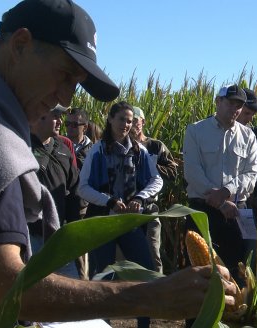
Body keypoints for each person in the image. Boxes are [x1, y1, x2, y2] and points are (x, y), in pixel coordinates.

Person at [0, 0, 236, 326]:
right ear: (21, 45)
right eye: (66, 75)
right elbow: (4, 291)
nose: (67, 99)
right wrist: (151, 296)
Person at [79, 101, 163, 327]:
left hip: (129, 222)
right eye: (121, 119)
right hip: (103, 222)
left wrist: (139, 197)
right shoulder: (97, 150)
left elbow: (157, 179)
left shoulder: (138, 151)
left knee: (144, 271)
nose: (126, 124)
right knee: (104, 277)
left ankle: (144, 323)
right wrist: (109, 201)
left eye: (129, 120)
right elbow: (83, 187)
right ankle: (103, 323)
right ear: (110, 119)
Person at [183, 84, 257, 283]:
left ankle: (230, 314)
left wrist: (227, 191)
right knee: (200, 271)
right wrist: (219, 201)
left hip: (236, 211)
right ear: (218, 101)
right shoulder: (195, 131)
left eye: (239, 106)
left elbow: (251, 173)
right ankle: (198, 315)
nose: (235, 109)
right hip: (202, 211)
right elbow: (192, 171)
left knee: (235, 271)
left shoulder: (248, 136)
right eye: (230, 103)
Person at [29, 105, 85, 279]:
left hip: (58, 238)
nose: (61, 121)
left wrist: (77, 230)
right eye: (56, 116)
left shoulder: (63, 149)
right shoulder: (21, 146)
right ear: (40, 116)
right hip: (31, 235)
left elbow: (75, 191)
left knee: (71, 288)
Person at [131, 105, 178, 273]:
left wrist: (149, 166)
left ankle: (157, 289)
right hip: (125, 208)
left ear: (142, 122)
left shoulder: (155, 146)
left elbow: (173, 171)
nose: (132, 125)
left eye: (136, 121)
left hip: (149, 209)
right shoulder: (119, 147)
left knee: (152, 254)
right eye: (129, 121)